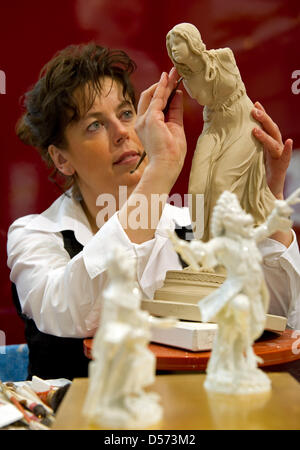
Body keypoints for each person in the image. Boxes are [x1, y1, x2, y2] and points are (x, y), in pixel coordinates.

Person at [7, 43, 300, 380]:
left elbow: (273, 313)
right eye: (94, 125)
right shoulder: (35, 234)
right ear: (62, 158)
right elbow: (70, 314)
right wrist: (162, 169)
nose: (122, 133)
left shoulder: (186, 227)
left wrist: (267, 200)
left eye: (126, 114)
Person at [166, 23, 276, 241]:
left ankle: (224, 253)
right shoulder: (186, 77)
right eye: (170, 44)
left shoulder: (223, 57)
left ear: (191, 41)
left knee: (221, 186)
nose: (174, 48)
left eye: (178, 42)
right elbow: (205, 100)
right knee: (197, 189)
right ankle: (201, 252)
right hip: (214, 125)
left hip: (242, 121)